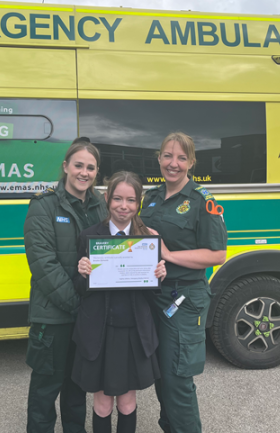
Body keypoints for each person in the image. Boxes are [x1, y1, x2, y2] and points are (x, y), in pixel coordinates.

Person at [140, 132, 228, 433]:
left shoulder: (202, 200)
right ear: (159, 158)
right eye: (167, 156)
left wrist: (167, 253)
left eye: (180, 157)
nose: (172, 163)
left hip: (183, 299)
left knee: (177, 378)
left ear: (191, 162)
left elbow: (217, 254)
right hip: (152, 295)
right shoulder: (149, 198)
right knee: (162, 375)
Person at [72, 171, 167, 433]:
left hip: (133, 332)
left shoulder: (148, 238)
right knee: (102, 404)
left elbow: (151, 293)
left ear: (139, 203)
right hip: (98, 332)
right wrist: (82, 273)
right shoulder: (89, 236)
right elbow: (80, 289)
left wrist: (159, 276)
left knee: (127, 403)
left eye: (131, 200)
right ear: (106, 199)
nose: (123, 206)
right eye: (117, 199)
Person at [24, 138, 108, 433]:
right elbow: (43, 265)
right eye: (78, 165)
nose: (84, 173)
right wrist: (78, 304)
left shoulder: (101, 206)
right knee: (46, 388)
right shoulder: (43, 206)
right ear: (65, 167)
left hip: (85, 316)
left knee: (77, 387)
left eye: (91, 168)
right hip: (54, 316)